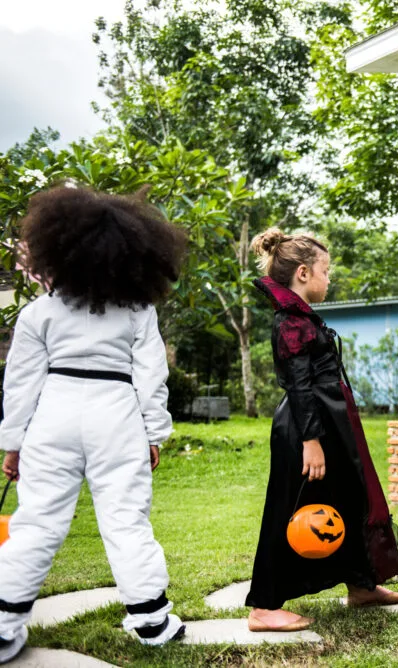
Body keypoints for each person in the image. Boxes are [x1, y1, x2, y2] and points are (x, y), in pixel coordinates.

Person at [0, 186, 189, 664]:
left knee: (37, 522)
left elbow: (20, 385)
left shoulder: (37, 313)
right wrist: (153, 433)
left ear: (57, 250)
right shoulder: (138, 311)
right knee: (126, 518)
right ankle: (151, 620)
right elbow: (151, 377)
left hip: (53, 415)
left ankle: (3, 626)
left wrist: (13, 444)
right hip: (117, 413)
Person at [246, 228, 398, 632]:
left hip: (331, 424)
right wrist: (311, 442)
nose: (328, 277)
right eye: (325, 270)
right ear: (303, 272)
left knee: (349, 500)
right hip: (306, 429)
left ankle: (361, 584)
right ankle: (263, 607)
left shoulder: (303, 317)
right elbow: (298, 387)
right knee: (288, 508)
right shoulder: (289, 322)